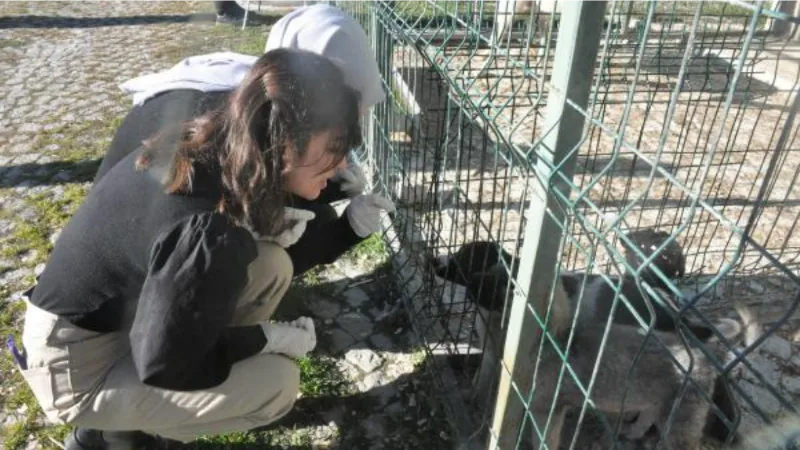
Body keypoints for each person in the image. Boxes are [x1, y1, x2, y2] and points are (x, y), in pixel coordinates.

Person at [18, 48, 393, 450]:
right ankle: (115, 433)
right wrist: (265, 339)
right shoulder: (208, 228)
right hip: (75, 369)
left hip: (114, 320)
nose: (340, 165)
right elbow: (165, 364)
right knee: (277, 385)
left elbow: (229, 264)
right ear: (286, 141)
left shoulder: (217, 143)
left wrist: (346, 225)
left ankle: (145, 415)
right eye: (335, 148)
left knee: (270, 265)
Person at [99, 4, 387, 273]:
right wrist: (348, 229)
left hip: (136, 249)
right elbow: (246, 237)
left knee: (314, 216)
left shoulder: (257, 97)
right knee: (273, 265)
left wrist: (330, 181)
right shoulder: (225, 127)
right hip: (126, 284)